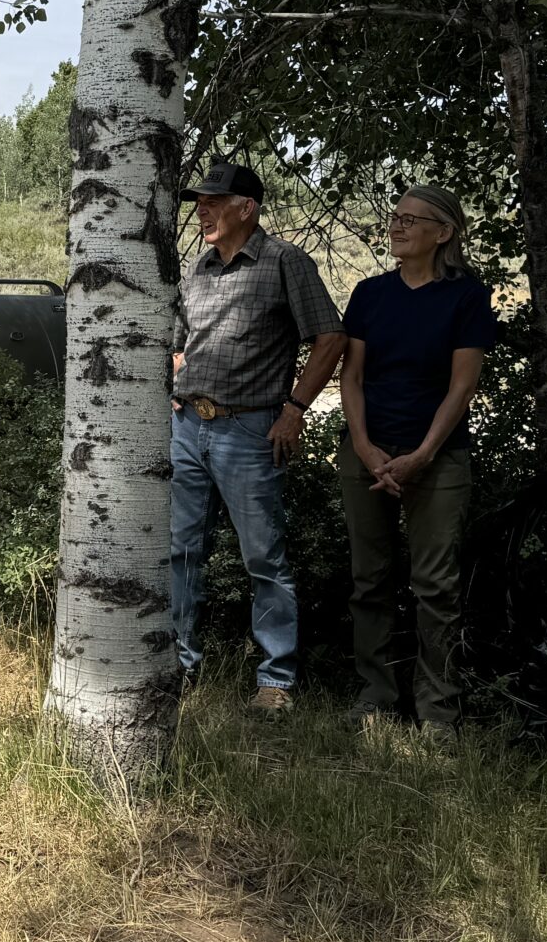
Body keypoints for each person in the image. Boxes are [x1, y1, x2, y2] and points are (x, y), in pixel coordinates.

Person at [170, 160, 344, 714]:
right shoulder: (195, 270)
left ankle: (275, 682)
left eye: (215, 202)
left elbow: (331, 336)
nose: (203, 210)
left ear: (247, 208)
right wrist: (179, 385)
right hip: (188, 426)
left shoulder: (284, 261)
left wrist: (294, 410)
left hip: (250, 429)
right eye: (199, 202)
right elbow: (179, 342)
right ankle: (179, 665)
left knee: (263, 558)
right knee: (180, 551)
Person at [337, 185, 497, 733]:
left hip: (439, 458)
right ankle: (375, 697)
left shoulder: (466, 297)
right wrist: (364, 447)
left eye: (412, 219)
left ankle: (438, 711)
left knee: (435, 587)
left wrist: (423, 455)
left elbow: (461, 387)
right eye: (395, 217)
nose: (398, 226)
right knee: (369, 580)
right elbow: (351, 377)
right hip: (367, 452)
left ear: (444, 233)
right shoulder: (369, 294)